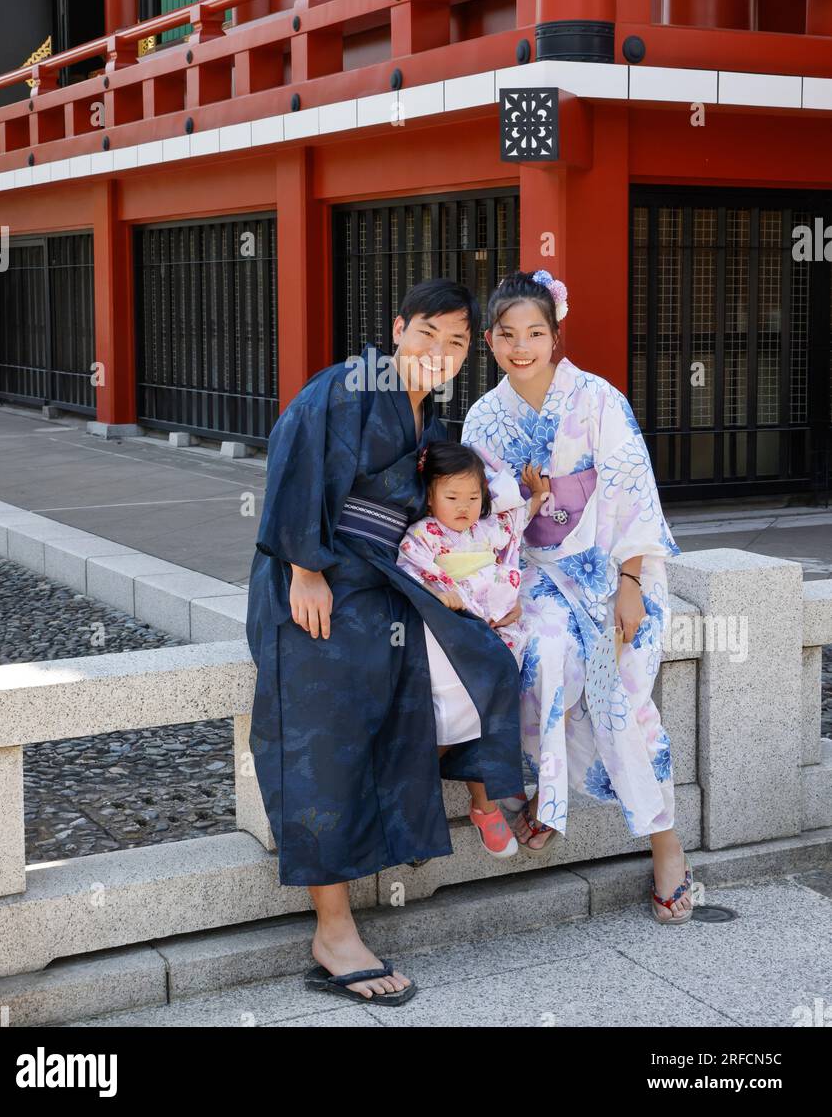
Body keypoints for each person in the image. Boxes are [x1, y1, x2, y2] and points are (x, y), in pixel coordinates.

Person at [245, 279, 526, 1007]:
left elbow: (452, 506)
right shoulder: (345, 388)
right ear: (398, 328)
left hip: (375, 583)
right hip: (310, 583)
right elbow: (293, 457)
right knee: (324, 738)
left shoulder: (426, 419)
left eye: (458, 343)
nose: (440, 352)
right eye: (428, 334)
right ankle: (333, 931)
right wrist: (304, 569)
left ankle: (482, 793)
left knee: (476, 661)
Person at [462, 268, 694, 924]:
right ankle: (549, 792)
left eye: (535, 332)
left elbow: (631, 495)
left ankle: (666, 845)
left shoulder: (598, 400)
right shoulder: (484, 416)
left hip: (609, 563)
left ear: (555, 336)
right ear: (489, 340)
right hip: (531, 569)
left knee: (620, 696)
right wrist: (522, 506)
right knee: (538, 657)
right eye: (507, 334)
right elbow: (473, 517)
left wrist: (628, 584)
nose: (522, 346)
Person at [396, 440, 553, 859]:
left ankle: (481, 805)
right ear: (429, 495)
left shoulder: (488, 528)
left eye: (472, 497)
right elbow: (412, 574)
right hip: (451, 633)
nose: (464, 507)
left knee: (495, 706)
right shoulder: (421, 536)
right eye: (451, 497)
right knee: (454, 711)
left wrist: (537, 495)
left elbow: (517, 524)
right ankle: (420, 806)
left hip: (492, 634)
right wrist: (438, 590)